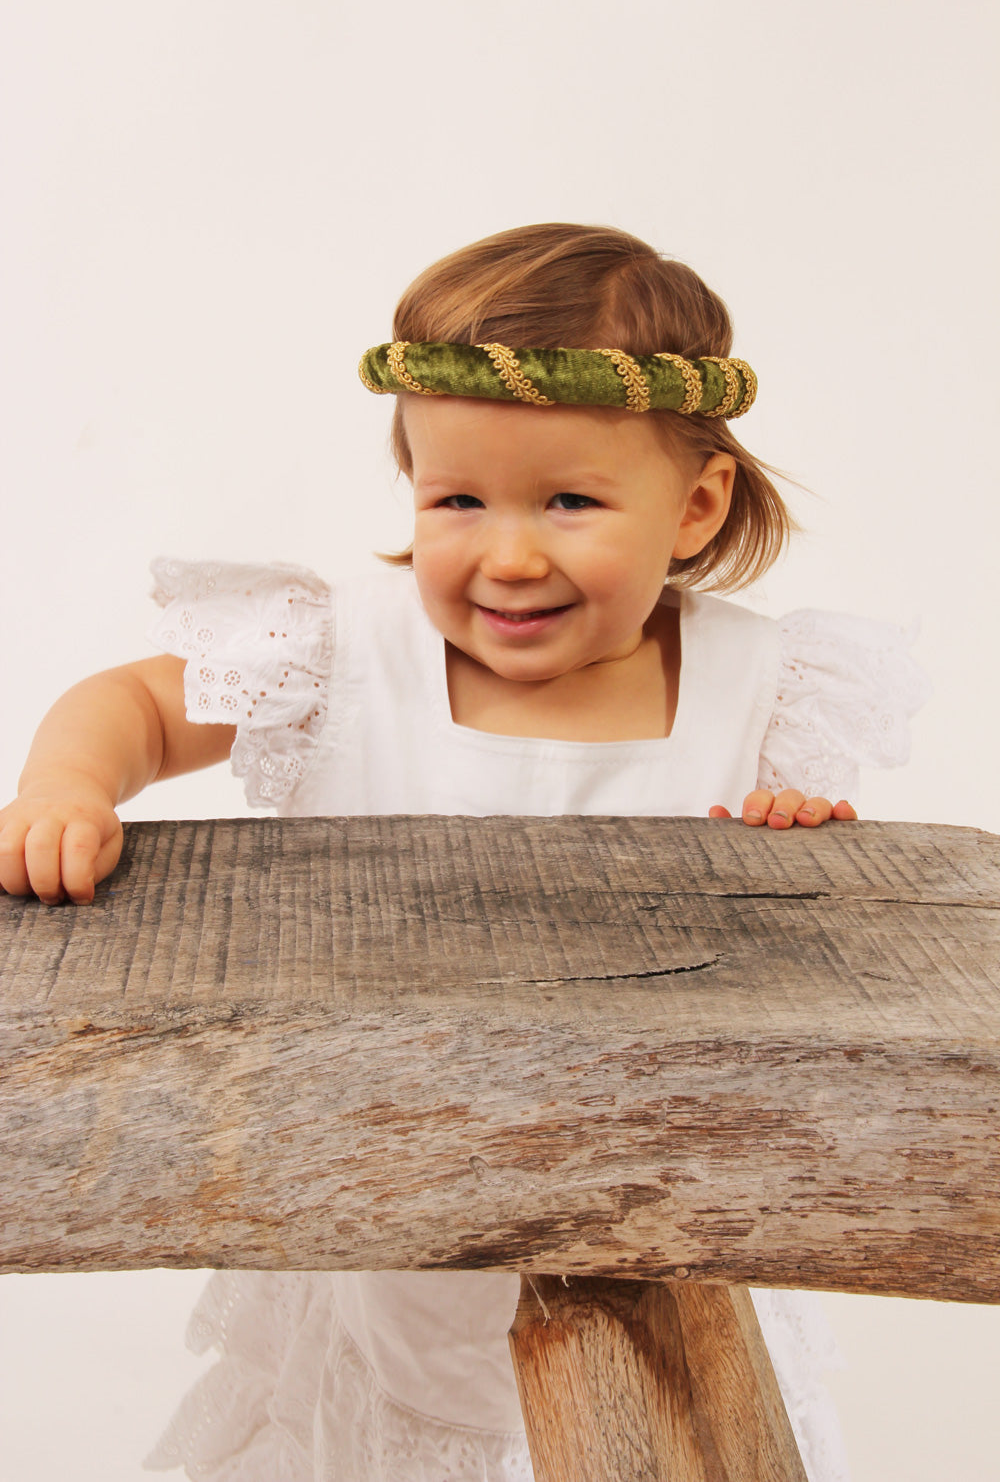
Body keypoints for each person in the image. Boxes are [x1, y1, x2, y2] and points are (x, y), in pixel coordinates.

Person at [0, 224, 926, 1480]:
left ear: (693, 504)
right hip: (379, 1204)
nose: (509, 553)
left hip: (652, 1228)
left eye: (571, 501)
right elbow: (145, 705)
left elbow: (798, 932)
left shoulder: (762, 687)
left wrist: (793, 851)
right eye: (457, 500)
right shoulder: (345, 657)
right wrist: (68, 781)